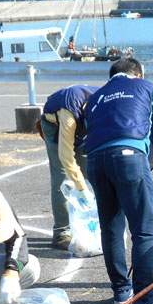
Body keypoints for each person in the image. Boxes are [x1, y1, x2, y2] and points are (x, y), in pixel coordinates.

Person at [84, 57, 153, 304]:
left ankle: (122, 290)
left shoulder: (96, 97)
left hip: (95, 162)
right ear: (138, 73)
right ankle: (144, 300)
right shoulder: (147, 87)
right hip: (129, 157)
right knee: (144, 230)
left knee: (111, 228)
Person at [41, 84, 100, 249]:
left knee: (89, 171)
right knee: (62, 178)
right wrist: (82, 188)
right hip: (54, 125)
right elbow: (65, 157)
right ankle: (61, 232)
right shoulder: (70, 113)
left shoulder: (104, 102)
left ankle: (90, 225)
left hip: (82, 128)